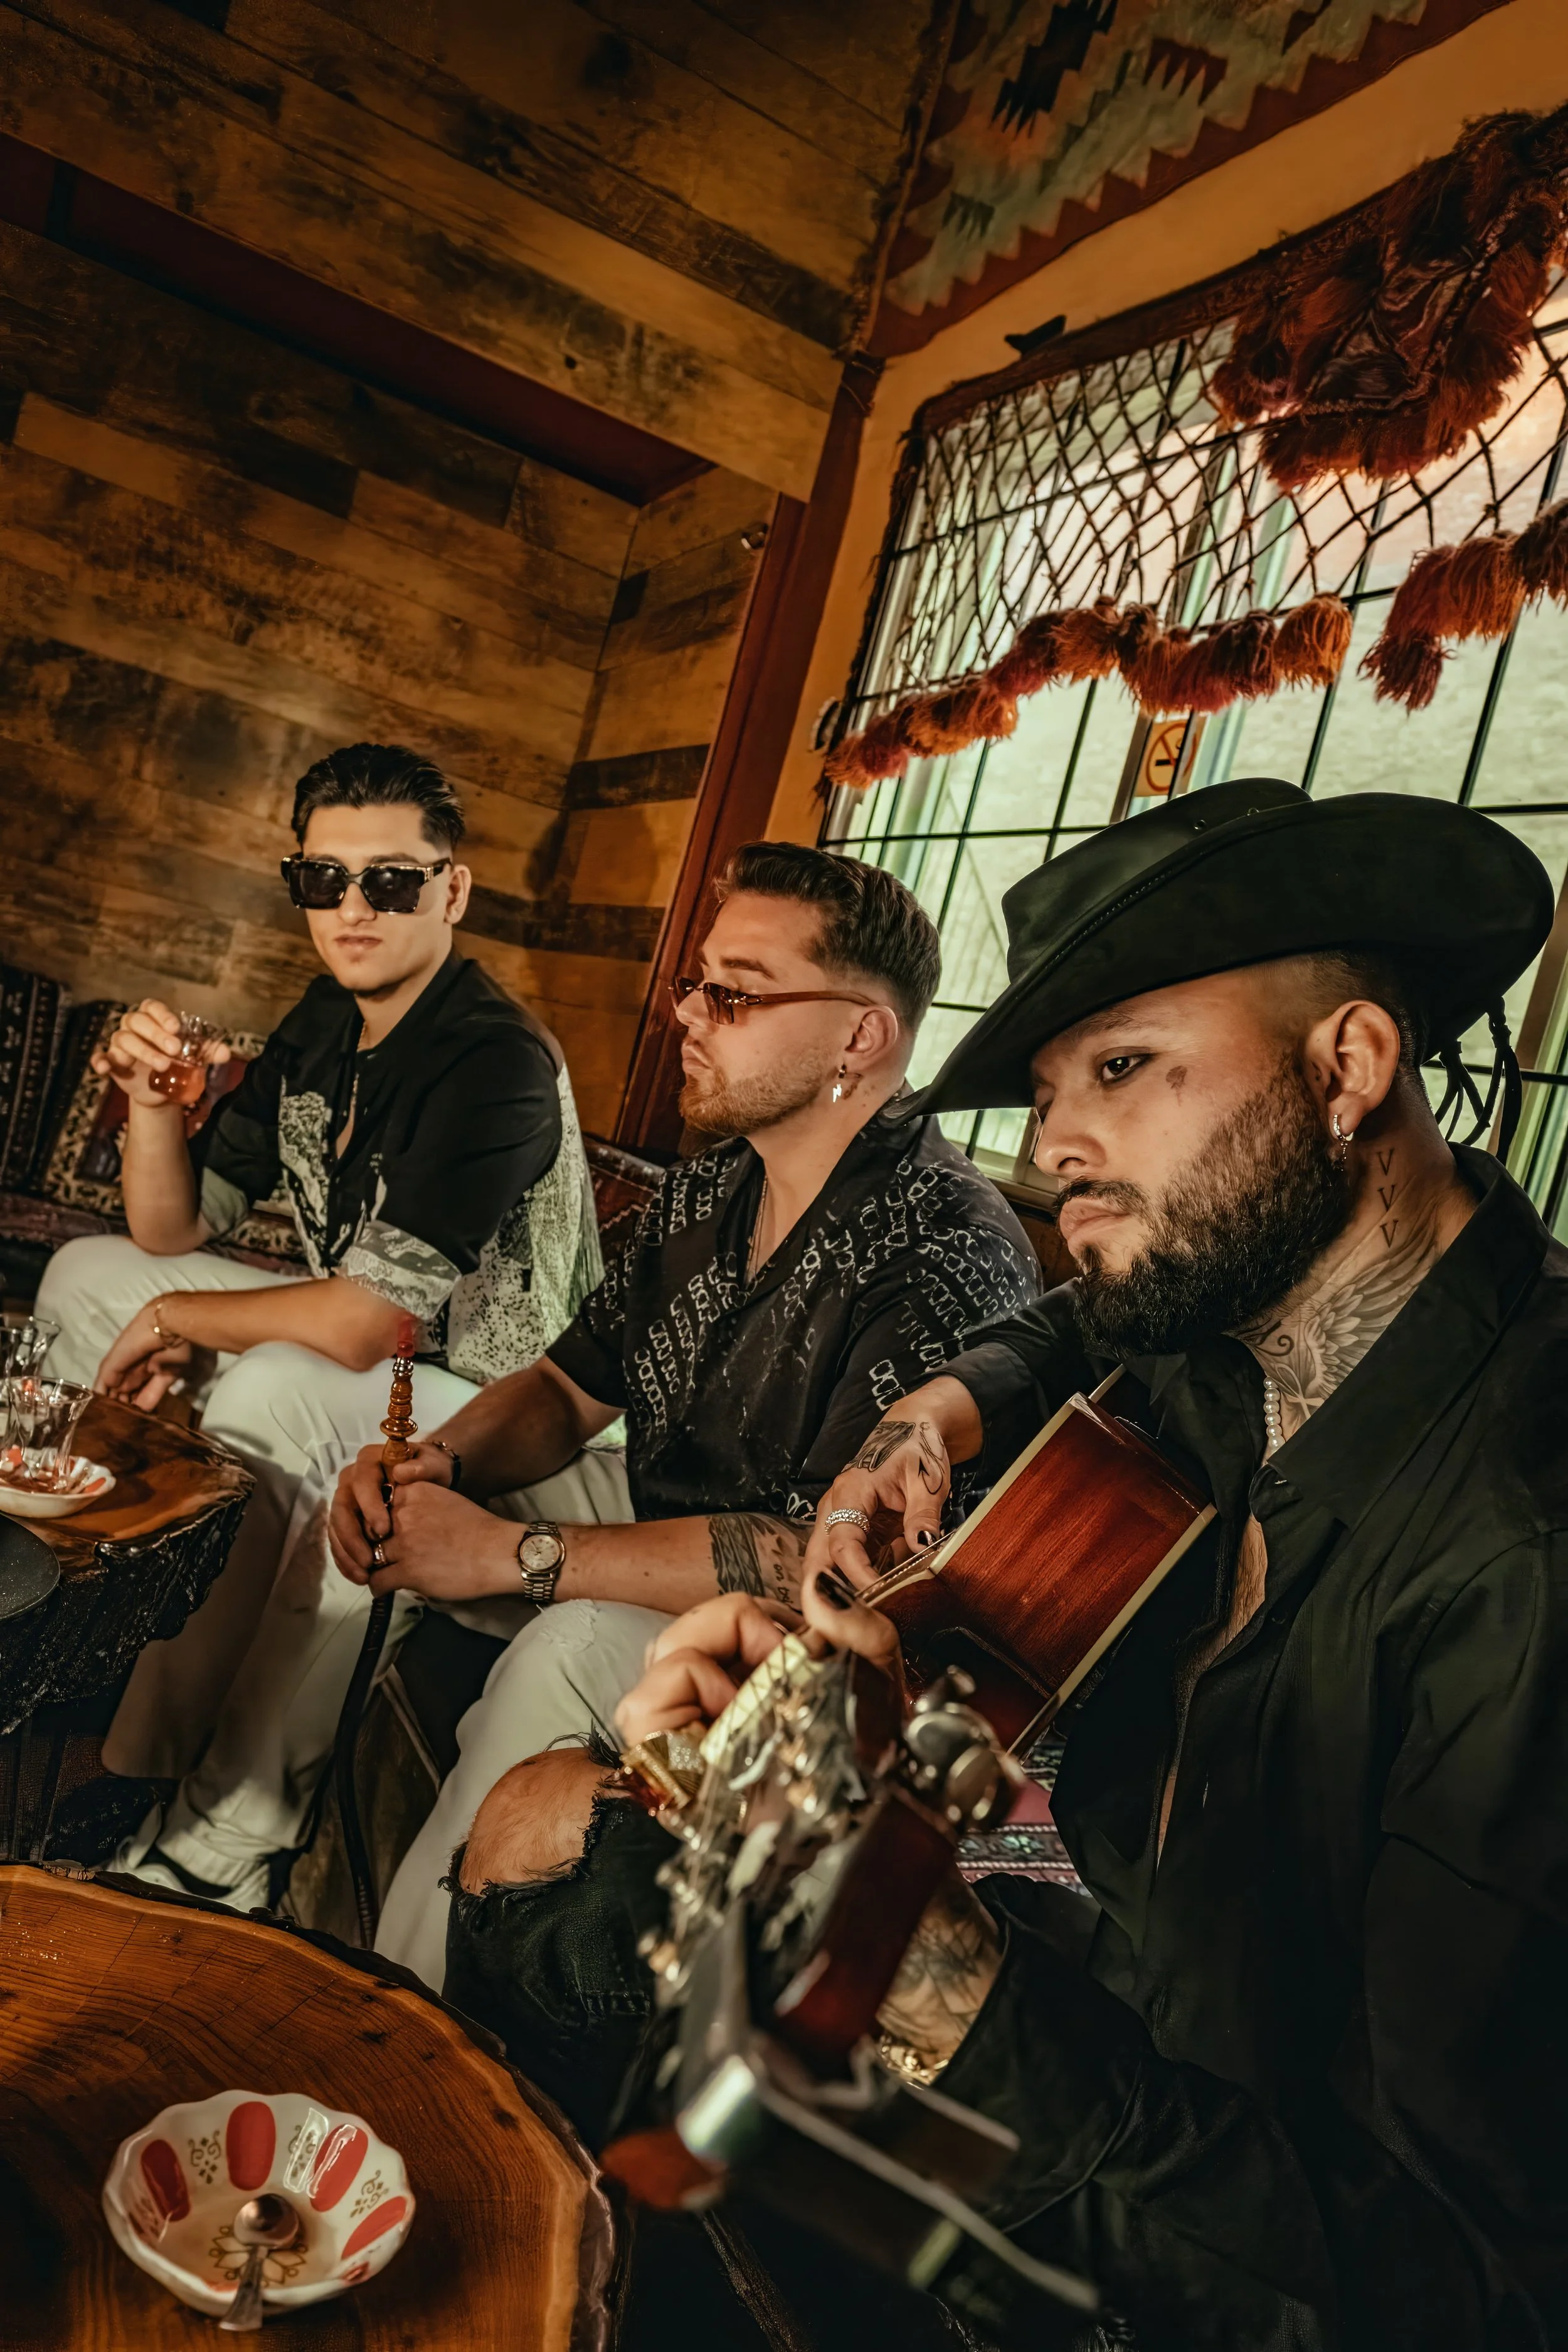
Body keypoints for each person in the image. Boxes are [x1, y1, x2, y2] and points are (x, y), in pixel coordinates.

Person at [446, 780, 1567, 2349]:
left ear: (1348, 1066)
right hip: (1080, 1955)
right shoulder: (1231, 1313)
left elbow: (1468, 2296)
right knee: (538, 1831)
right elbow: (1065, 1321)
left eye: (1122, 1068)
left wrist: (950, 1993)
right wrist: (925, 1434)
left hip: (1190, 2213)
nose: (1053, 1149)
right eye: (1048, 1092)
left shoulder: (1520, 1555)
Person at [326, 842, 1042, 1989]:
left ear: (861, 1037)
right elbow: (569, 1387)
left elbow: (814, 1566)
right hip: (666, 1513)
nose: (690, 1018)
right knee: (365, 1448)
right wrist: (438, 1462)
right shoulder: (715, 1184)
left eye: (736, 992)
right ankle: (248, 1825)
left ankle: (393, 2011)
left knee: (566, 1647)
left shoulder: (945, 1250)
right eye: (696, 984)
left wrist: (515, 1555)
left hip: (810, 1662)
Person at [37, 741, 600, 1825]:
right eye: (321, 879)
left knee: (273, 1385)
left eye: (390, 880)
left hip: (510, 1399)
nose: (353, 907)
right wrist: (151, 1102)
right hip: (387, 1357)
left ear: (452, 889)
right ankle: (81, 1630)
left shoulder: (495, 1061)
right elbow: (173, 1225)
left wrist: (184, 1320)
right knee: (82, 1275)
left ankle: (192, 1795)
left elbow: (367, 1319)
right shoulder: (322, 1023)